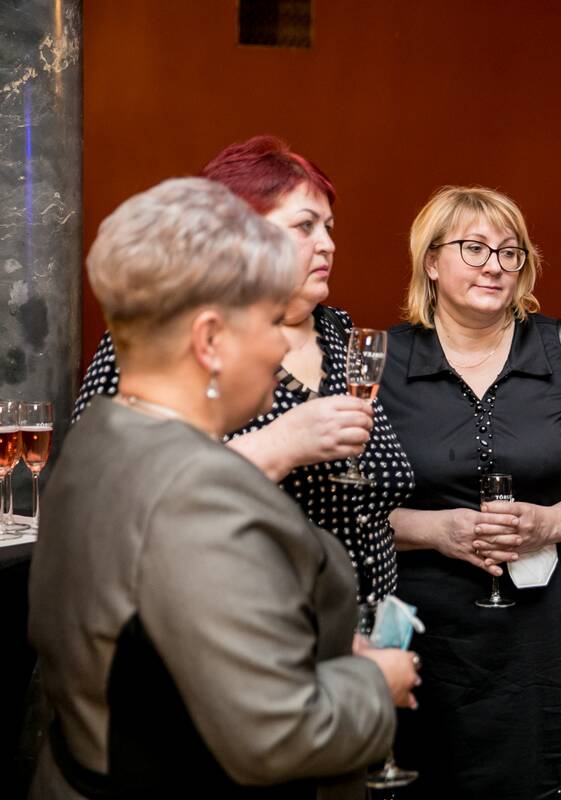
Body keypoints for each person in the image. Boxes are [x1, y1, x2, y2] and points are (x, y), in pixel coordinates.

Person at [28, 178, 419, 799]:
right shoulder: (198, 494)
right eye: (269, 321)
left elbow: (169, 632)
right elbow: (277, 735)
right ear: (209, 341)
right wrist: (378, 681)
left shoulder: (103, 434)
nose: (281, 343)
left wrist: (306, 638)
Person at [378, 185, 561, 798]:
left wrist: (550, 524)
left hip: (538, 641)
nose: (495, 265)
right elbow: (344, 502)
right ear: (431, 262)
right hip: (417, 634)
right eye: (474, 249)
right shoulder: (385, 362)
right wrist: (436, 531)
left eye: (509, 251)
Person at [72, 135, 412, 604]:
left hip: (369, 628)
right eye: (306, 226)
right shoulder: (165, 333)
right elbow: (104, 495)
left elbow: (366, 506)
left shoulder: (340, 331)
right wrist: (282, 443)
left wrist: (438, 531)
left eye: (329, 227)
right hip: (240, 624)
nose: (328, 244)